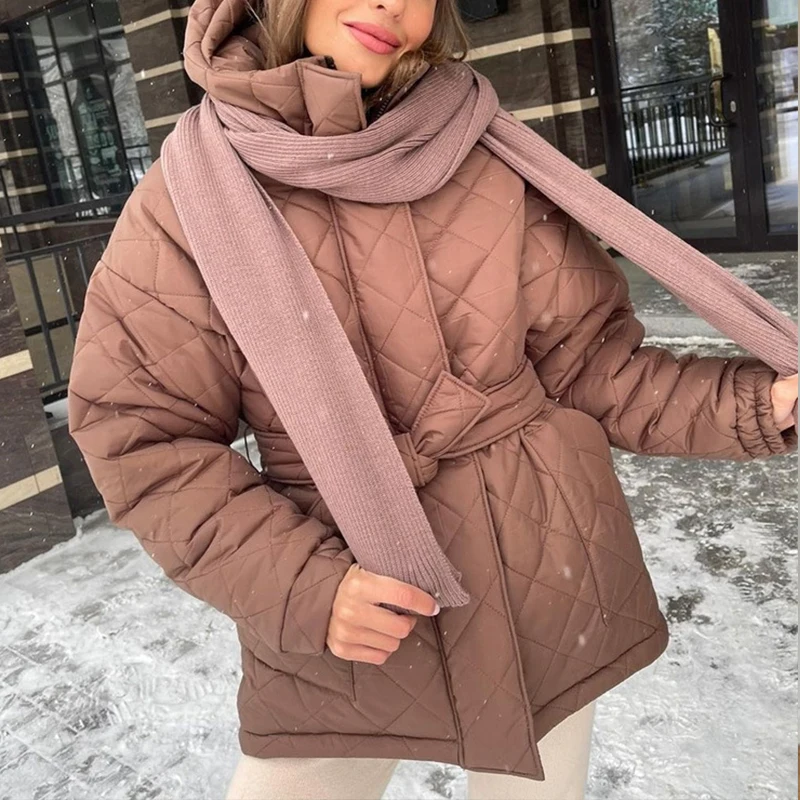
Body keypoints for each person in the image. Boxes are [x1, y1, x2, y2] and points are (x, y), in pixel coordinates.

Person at [66, 0, 799, 798]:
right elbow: (144, 439)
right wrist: (305, 587)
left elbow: (590, 364)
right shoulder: (188, 201)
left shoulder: (479, 148)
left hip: (543, 571)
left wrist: (758, 404)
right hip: (352, 605)